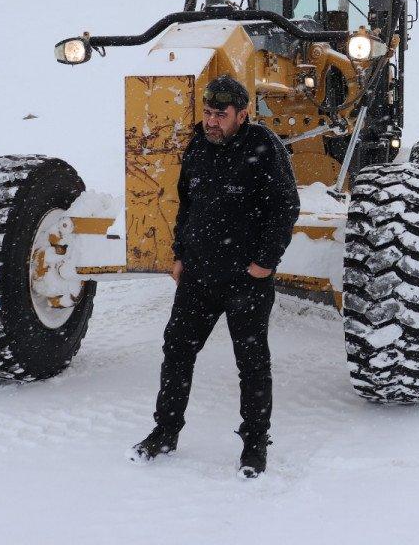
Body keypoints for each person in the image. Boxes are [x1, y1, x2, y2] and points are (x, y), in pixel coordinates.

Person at [128, 74, 300, 478]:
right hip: (199, 276)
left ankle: (254, 445)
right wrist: (180, 255)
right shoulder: (199, 145)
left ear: (242, 114)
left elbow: (285, 207)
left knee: (251, 363)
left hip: (246, 279)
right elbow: (187, 204)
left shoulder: (263, 147)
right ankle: (165, 432)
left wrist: (265, 262)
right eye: (207, 113)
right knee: (177, 352)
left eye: (220, 115)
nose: (211, 121)